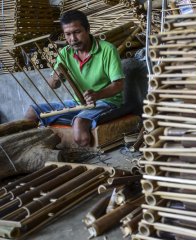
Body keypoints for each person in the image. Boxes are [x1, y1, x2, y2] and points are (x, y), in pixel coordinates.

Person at [25, 10, 127, 147]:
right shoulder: (65, 53)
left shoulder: (107, 50)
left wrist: (97, 95)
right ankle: (27, 148)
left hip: (106, 101)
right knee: (33, 111)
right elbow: (53, 85)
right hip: (77, 103)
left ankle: (89, 163)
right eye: (68, 34)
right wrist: (55, 79)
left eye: (77, 32)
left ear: (87, 29)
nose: (72, 39)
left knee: (79, 124)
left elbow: (119, 85)